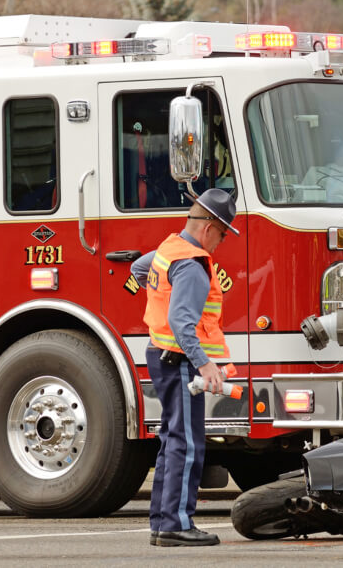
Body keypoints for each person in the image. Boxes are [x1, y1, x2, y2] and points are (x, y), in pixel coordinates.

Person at [130, 188, 239, 547]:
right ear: (209, 227)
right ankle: (177, 524)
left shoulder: (170, 250)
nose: (221, 242)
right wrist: (205, 364)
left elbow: (138, 268)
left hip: (160, 353)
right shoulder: (193, 266)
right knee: (188, 443)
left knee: (172, 439)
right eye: (223, 234)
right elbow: (181, 321)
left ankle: (163, 523)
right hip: (178, 359)